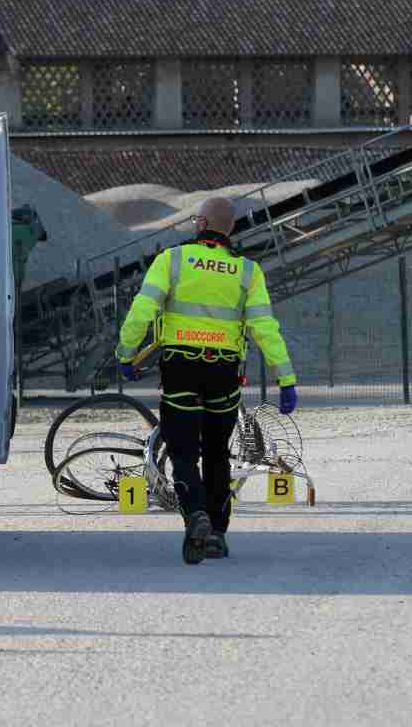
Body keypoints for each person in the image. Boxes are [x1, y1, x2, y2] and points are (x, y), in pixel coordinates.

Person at [115, 196, 297, 564]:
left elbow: (142, 310)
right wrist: (286, 377)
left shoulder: (173, 260)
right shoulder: (248, 271)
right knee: (217, 454)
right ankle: (217, 532)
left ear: (199, 224)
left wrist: (126, 353)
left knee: (184, 451)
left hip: (181, 368)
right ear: (229, 228)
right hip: (224, 373)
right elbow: (265, 328)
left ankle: (194, 515)